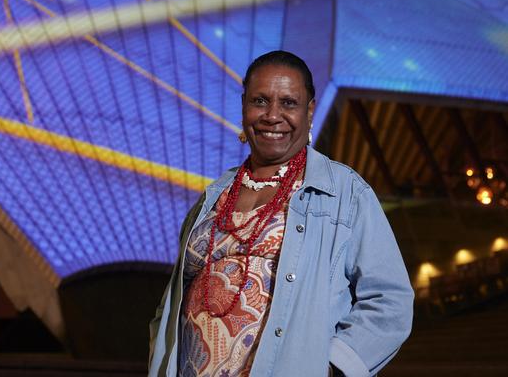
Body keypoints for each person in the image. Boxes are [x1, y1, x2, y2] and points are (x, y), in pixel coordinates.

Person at [148, 51, 413, 377]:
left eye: (288, 103)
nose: (273, 115)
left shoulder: (345, 193)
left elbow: (391, 300)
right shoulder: (213, 196)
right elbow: (172, 301)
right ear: (244, 106)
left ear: (309, 111)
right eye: (260, 101)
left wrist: (331, 367)